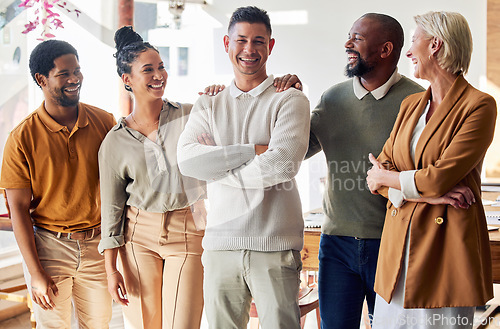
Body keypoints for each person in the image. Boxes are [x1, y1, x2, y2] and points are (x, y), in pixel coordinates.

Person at [98, 25, 302, 329]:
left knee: (183, 323)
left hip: (188, 227)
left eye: (162, 67)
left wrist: (286, 85)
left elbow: (243, 122)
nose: (159, 75)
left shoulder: (194, 112)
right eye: (148, 70)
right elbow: (112, 208)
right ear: (127, 79)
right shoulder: (115, 140)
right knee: (144, 323)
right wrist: (111, 268)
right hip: (137, 234)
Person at [177, 6, 310, 329]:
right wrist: (254, 150)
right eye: (241, 40)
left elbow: (282, 165)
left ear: (270, 46)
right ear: (226, 43)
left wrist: (220, 168)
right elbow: (189, 160)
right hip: (220, 246)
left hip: (275, 246)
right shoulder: (209, 103)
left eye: (258, 41)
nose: (249, 49)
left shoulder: (290, 100)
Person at [366, 11, 496, 328]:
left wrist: (392, 179)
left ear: (435, 44)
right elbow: (375, 176)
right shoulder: (411, 104)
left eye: (413, 42)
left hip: (444, 250)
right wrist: (431, 196)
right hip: (397, 250)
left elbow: (437, 178)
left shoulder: (479, 105)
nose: (408, 52)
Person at [305, 13, 424, 328]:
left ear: (385, 50)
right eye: (349, 36)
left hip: (394, 242)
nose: (347, 44)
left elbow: (429, 169)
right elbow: (295, 151)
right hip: (336, 244)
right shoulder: (332, 99)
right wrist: (286, 102)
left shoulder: (417, 102)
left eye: (356, 38)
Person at [0, 40, 116, 328]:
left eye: (77, 71)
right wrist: (35, 272)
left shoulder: (105, 122)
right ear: (42, 79)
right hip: (49, 247)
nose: (75, 79)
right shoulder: (21, 138)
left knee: (99, 324)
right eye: (64, 74)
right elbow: (18, 211)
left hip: (97, 245)